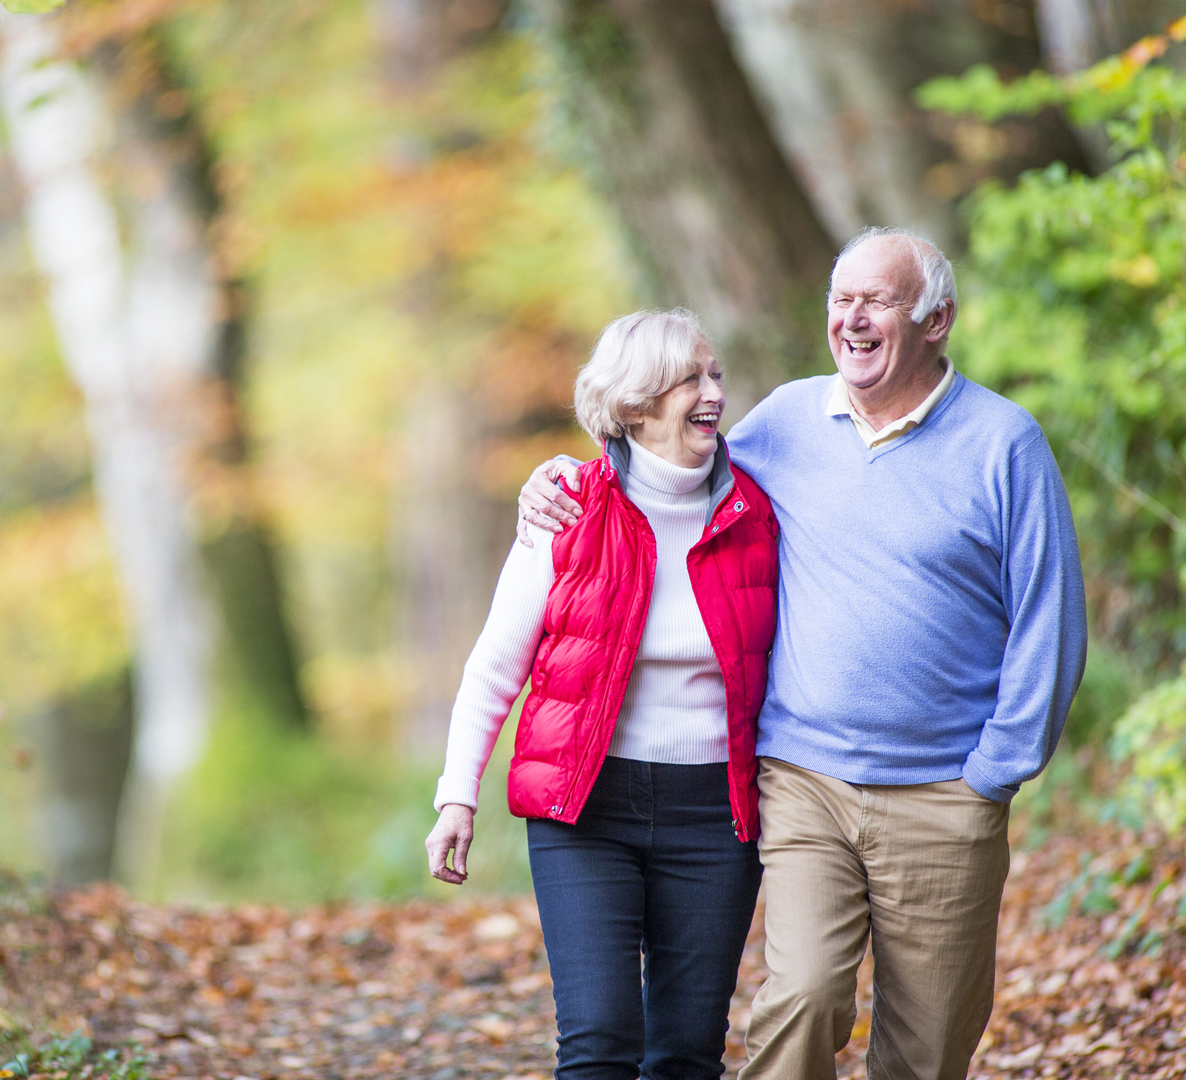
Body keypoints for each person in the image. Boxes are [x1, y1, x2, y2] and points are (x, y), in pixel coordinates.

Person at [518, 228, 1088, 1080]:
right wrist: (564, 477)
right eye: (841, 299)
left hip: (945, 793)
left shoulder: (1005, 445)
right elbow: (670, 471)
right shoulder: (785, 420)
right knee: (804, 1001)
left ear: (938, 320)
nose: (852, 319)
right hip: (803, 779)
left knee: (928, 1045)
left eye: (878, 301)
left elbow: (1051, 621)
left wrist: (994, 774)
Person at [424, 308, 779, 1080]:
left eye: (715, 373)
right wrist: (457, 797)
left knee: (686, 1051)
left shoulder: (759, 510)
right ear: (633, 405)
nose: (713, 390)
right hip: (587, 812)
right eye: (690, 377)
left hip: (716, 818)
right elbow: (494, 668)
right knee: (599, 1040)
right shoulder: (567, 508)